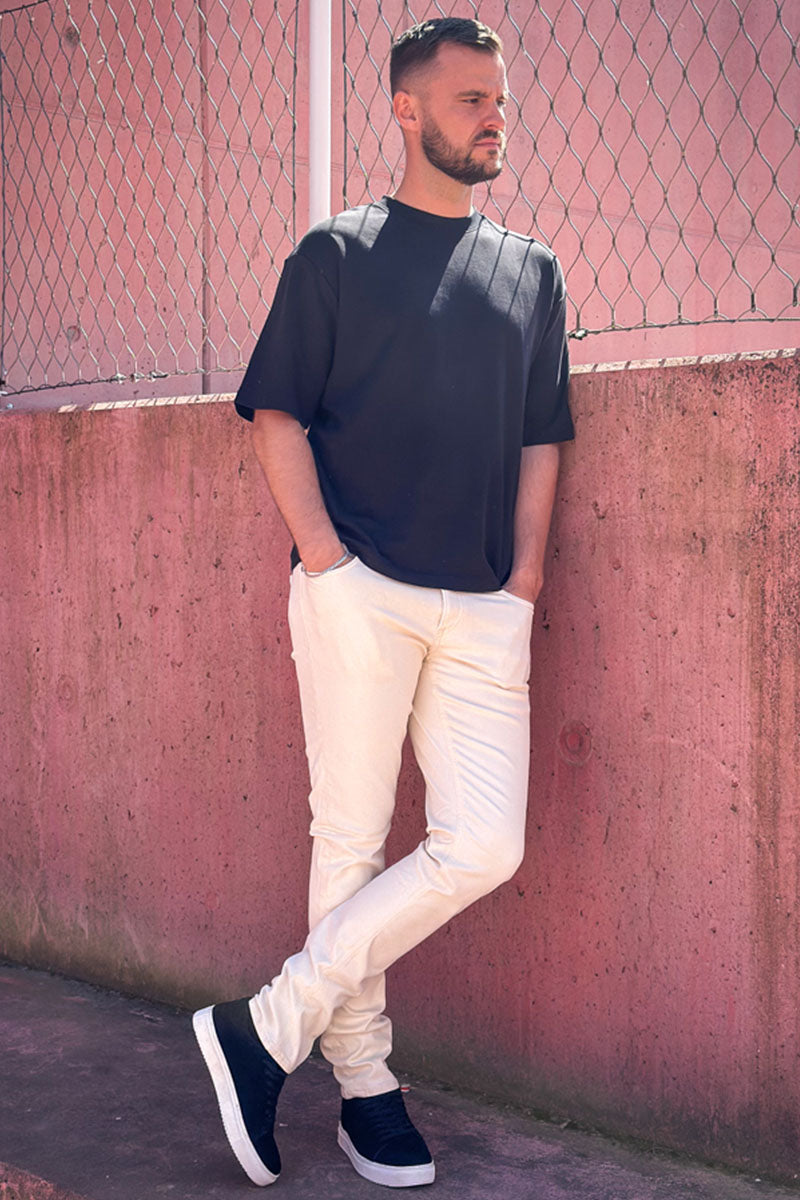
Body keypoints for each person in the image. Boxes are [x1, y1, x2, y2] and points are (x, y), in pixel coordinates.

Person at [193, 16, 574, 1189]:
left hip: (482, 605)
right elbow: (275, 415)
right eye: (468, 100)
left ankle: (266, 1025)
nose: (492, 118)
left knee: (484, 843)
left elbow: (541, 435)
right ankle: (364, 1088)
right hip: (358, 586)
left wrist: (523, 578)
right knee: (351, 842)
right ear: (406, 111)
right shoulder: (336, 256)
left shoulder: (530, 270)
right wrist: (324, 561)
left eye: (498, 99)